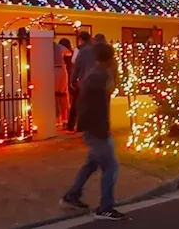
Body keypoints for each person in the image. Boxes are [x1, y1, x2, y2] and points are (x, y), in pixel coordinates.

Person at [61, 43, 126, 220]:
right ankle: (105, 207)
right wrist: (101, 129)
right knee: (111, 167)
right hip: (97, 128)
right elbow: (99, 104)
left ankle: (72, 195)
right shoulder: (100, 77)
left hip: (92, 126)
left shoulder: (95, 74)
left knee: (91, 164)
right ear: (110, 58)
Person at [68, 31, 93, 131]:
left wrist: (73, 80)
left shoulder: (81, 51)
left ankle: (76, 126)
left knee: (78, 103)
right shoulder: (96, 49)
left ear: (81, 40)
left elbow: (77, 66)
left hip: (84, 80)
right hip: (95, 80)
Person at [54, 41, 73, 129]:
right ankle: (65, 119)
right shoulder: (60, 47)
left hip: (52, 70)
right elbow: (69, 53)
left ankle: (57, 120)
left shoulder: (46, 47)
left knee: (54, 96)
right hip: (62, 70)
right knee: (64, 94)